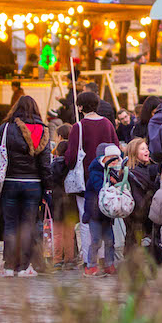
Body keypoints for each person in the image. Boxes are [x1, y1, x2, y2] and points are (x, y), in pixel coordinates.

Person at [0, 95, 52, 277]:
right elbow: (45, 164)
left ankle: (9, 266)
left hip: (10, 183)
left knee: (10, 225)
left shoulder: (6, 128)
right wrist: (48, 188)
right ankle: (24, 267)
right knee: (27, 226)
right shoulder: (43, 130)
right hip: (34, 186)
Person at [63, 91, 119, 268]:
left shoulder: (78, 127)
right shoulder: (108, 124)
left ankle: (90, 261)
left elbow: (71, 157)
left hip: (85, 181)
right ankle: (105, 258)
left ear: (80, 107)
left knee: (87, 220)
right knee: (106, 218)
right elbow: (116, 149)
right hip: (107, 179)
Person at [82, 143, 123, 276]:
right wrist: (111, 183)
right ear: (105, 158)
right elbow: (100, 187)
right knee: (96, 241)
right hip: (94, 212)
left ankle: (109, 264)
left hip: (106, 214)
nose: (115, 162)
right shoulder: (95, 171)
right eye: (113, 159)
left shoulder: (112, 171)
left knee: (110, 240)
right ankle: (91, 265)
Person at [48, 125, 79, 270]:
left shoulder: (53, 166)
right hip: (70, 201)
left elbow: (51, 181)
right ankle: (70, 259)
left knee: (58, 233)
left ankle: (57, 259)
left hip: (57, 201)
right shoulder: (72, 166)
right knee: (69, 233)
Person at [123, 138, 160, 255]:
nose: (147, 151)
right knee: (138, 239)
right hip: (140, 212)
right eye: (143, 149)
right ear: (134, 152)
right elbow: (149, 187)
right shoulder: (134, 171)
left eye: (147, 148)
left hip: (139, 212)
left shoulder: (145, 168)